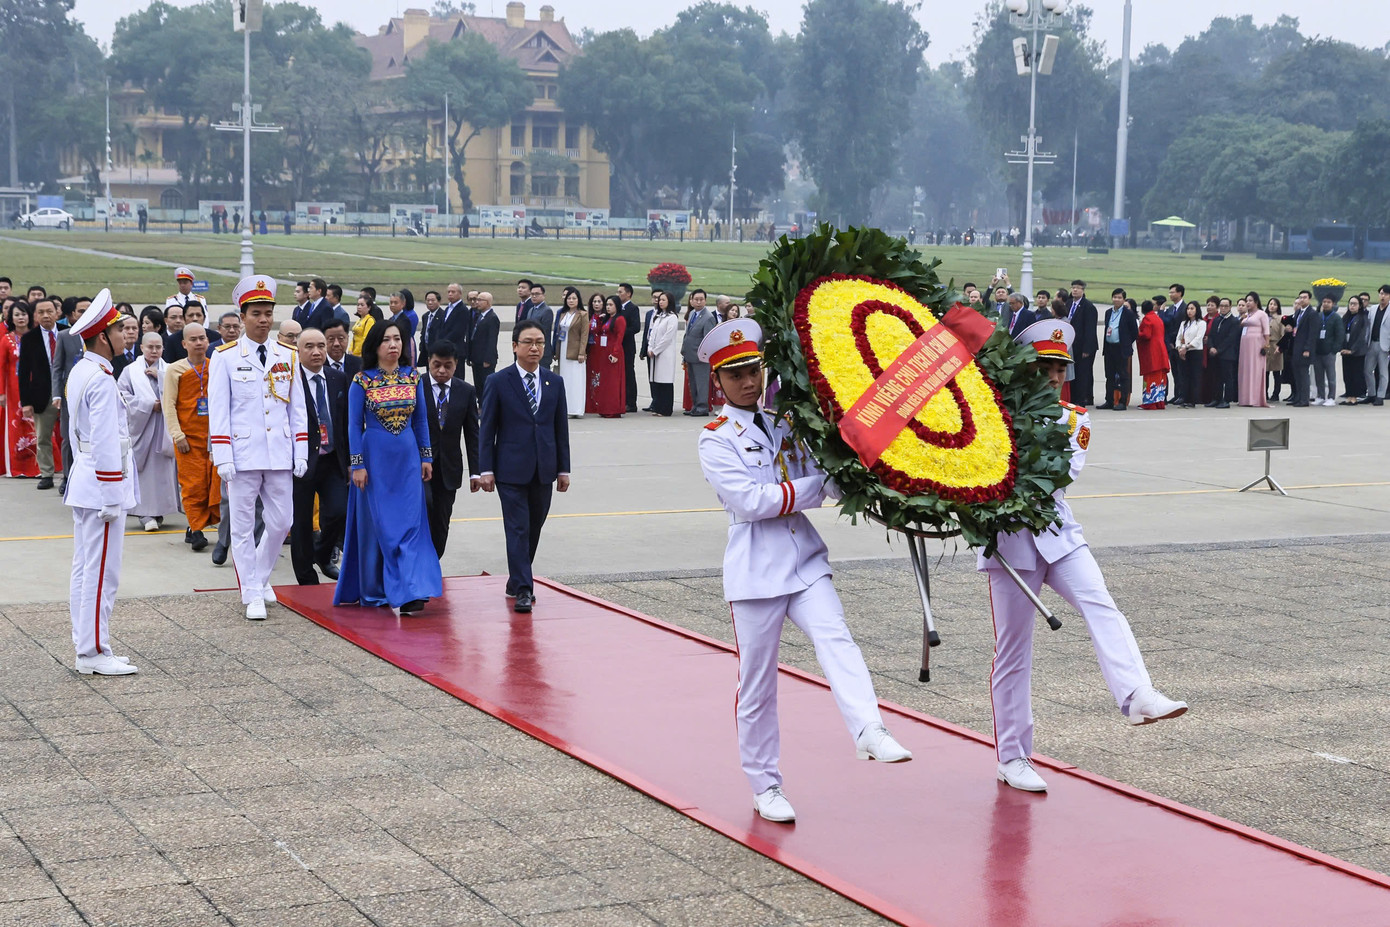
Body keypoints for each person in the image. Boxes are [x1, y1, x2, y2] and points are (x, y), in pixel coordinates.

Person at [697, 318, 910, 823]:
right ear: (718, 382)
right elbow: (750, 503)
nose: (749, 382)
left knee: (838, 638)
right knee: (757, 684)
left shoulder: (788, 422)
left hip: (805, 560)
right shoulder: (715, 439)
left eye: (754, 370)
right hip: (756, 573)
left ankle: (868, 729)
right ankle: (765, 784)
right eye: (736, 375)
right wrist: (815, 487)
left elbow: (832, 482)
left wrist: (864, 462)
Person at [981, 318, 1186, 793]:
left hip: (1059, 536)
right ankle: (1012, 757)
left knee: (1103, 606)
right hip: (1011, 544)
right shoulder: (992, 415)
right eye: (1044, 366)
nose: (1054, 376)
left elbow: (1055, 475)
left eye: (1060, 368)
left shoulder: (1074, 418)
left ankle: (1138, 694)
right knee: (1013, 652)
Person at [208, 276, 309, 621]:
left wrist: (301, 451)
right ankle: (251, 592)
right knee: (241, 526)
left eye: (269, 313)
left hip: (279, 450)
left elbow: (297, 408)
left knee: (283, 521)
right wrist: (222, 456)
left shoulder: (288, 355)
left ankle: (259, 577)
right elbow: (219, 411)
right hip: (243, 452)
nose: (264, 320)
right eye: (257, 313)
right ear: (243, 315)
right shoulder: (224, 357)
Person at [335, 318, 443, 613]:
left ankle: (411, 589)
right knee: (380, 525)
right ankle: (375, 589)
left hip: (408, 459)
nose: (394, 344)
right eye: (387, 340)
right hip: (375, 461)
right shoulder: (362, 381)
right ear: (375, 346)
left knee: (411, 524)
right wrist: (357, 464)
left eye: (397, 339)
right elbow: (353, 426)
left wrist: (426, 457)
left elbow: (420, 420)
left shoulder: (413, 377)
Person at [62, 291, 139, 676]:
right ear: (102, 337)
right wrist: (113, 494)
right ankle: (92, 651)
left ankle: (89, 643)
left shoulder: (83, 370)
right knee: (101, 571)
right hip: (101, 485)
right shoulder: (102, 379)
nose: (126, 333)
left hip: (86, 479)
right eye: (117, 328)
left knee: (85, 567)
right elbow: (107, 442)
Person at [478, 319, 571, 613]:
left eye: (540, 342)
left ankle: (516, 578)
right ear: (515, 346)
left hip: (544, 468)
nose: (535, 348)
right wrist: (486, 469)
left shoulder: (553, 382)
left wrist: (563, 469)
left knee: (533, 528)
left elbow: (560, 429)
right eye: (529, 342)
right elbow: (487, 429)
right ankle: (523, 588)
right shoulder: (498, 381)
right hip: (510, 470)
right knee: (517, 528)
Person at [290, 328, 348, 584]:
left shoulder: (338, 378)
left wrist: (350, 461)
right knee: (301, 522)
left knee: (339, 510)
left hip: (332, 458)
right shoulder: (290, 380)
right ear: (298, 351)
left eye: (321, 346)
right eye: (309, 346)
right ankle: (305, 578)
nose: (317, 352)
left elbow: (346, 422)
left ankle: (323, 555)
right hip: (302, 460)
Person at [162, 323, 220, 552]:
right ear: (184, 344)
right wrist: (178, 435)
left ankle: (199, 524)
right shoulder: (175, 370)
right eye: (193, 339)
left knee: (215, 484)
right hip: (188, 439)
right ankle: (196, 531)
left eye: (202, 338)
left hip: (213, 438)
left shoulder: (215, 367)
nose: (199, 343)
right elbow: (169, 405)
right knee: (193, 485)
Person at [422, 340, 480, 558]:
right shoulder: (417, 387)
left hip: (450, 467)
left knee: (442, 520)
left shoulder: (465, 391)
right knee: (425, 508)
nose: (442, 371)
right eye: (436, 365)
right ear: (428, 362)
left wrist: (476, 471)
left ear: (456, 364)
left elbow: (473, 434)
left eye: (448, 365)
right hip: (420, 466)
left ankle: (434, 562)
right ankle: (420, 564)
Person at [117, 331, 179, 531]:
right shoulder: (130, 371)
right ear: (142, 347)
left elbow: (183, 393)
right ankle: (144, 514)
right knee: (143, 473)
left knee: (163, 472)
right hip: (142, 428)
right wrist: (149, 405)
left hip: (164, 428)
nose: (154, 351)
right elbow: (122, 397)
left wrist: (161, 377)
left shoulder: (170, 369)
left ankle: (159, 511)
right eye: (150, 347)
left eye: (158, 347)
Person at [18, 296, 64, 489]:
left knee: (69, 436)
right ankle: (47, 474)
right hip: (42, 395)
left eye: (49, 311)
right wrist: (26, 401)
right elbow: (23, 372)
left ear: (57, 313)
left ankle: (69, 476)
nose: (46, 316)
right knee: (43, 437)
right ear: (35, 316)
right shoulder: (29, 338)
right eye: (41, 312)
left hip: (66, 392)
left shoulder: (67, 334)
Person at [1, 301, 40, 478]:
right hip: (13, 390)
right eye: (17, 314)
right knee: (16, 427)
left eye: (24, 314)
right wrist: (1, 392)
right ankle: (17, 469)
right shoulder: (6, 339)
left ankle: (39, 467)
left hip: (35, 388)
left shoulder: (36, 338)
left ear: (29, 316)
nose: (21, 317)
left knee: (36, 426)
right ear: (11, 318)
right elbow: (0, 368)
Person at [587, 295, 627, 417]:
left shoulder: (620, 319)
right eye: (607, 305)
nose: (608, 307)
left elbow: (619, 338)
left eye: (611, 305)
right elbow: (599, 331)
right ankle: (604, 407)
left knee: (612, 382)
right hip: (604, 353)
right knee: (605, 381)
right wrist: (600, 320)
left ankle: (613, 409)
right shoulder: (608, 318)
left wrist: (615, 353)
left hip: (613, 353)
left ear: (617, 306)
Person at [680, 289, 718, 416]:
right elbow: (688, 334)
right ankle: (695, 406)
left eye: (701, 299)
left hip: (701, 357)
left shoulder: (708, 317)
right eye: (696, 299)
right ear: (691, 300)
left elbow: (708, 339)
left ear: (705, 301)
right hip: (690, 354)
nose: (698, 302)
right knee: (693, 383)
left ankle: (702, 407)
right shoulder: (692, 314)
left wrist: (705, 355)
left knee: (701, 383)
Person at [1099, 289, 1137, 410]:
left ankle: (1122, 401)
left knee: (1123, 375)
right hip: (1110, 347)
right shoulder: (1108, 312)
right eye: (1115, 297)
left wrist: (1126, 343)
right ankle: (1109, 400)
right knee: (1109, 375)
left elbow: (1134, 332)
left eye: (1119, 297)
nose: (1116, 299)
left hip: (1121, 348)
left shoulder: (1128, 313)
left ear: (1124, 299)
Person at [553, 287, 588, 420]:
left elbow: (584, 335)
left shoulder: (583, 314)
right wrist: (556, 351)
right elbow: (558, 334)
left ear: (578, 300)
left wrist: (581, 352)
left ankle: (576, 408)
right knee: (565, 379)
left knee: (576, 380)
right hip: (563, 350)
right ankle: (566, 407)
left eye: (574, 298)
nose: (571, 301)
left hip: (575, 351)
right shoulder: (563, 314)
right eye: (569, 298)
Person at [1066, 280, 1099, 406]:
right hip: (1071, 346)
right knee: (1073, 372)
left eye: (1078, 288)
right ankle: (1072, 398)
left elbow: (1090, 330)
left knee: (1082, 373)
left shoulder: (1088, 307)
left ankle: (1081, 400)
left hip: (1084, 347)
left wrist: (1087, 349)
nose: (1075, 290)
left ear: (1083, 290)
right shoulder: (1068, 303)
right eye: (1073, 287)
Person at [647, 291, 679, 416]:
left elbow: (667, 337)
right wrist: (650, 348)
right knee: (656, 381)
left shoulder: (672, 318)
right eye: (660, 300)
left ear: (669, 302)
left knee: (665, 381)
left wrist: (656, 350)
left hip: (665, 353)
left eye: (663, 300)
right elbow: (652, 334)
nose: (660, 302)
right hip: (654, 353)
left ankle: (666, 409)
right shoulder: (658, 317)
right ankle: (658, 406)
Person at [1205, 297, 1240, 409]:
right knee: (1216, 377)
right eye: (1222, 306)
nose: (1223, 308)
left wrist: (1218, 350)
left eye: (1226, 306)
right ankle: (1217, 398)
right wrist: (1211, 347)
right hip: (1215, 354)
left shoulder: (1234, 321)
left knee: (1227, 378)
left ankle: (1227, 400)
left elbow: (1230, 339)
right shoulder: (1216, 320)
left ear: (1230, 307)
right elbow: (1211, 336)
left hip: (1227, 355)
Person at [1238, 295, 1270, 408]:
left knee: (1255, 370)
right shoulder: (1247, 315)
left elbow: (1266, 331)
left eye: (1250, 301)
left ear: (1256, 302)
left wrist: (1266, 345)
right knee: (1245, 370)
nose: (1248, 303)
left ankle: (1255, 399)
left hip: (1256, 345)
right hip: (1245, 346)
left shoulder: (1262, 314)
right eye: (1247, 301)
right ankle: (1244, 398)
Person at [1136, 299, 1169, 409]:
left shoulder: (1147, 319)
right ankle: (1159, 402)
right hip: (1161, 350)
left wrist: (1137, 333)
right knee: (1160, 378)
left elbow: (1146, 335)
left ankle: (1150, 403)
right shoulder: (1157, 318)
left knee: (1151, 377)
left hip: (1152, 351)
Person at [1312, 296, 1344, 406]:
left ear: (1333, 304)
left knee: (1331, 376)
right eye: (1324, 302)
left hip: (1329, 351)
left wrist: (1334, 350)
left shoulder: (1336, 318)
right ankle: (1320, 396)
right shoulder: (1319, 316)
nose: (1325, 304)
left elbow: (1340, 335)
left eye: (1328, 302)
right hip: (1318, 351)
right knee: (1318, 376)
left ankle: (1331, 397)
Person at [1288, 290, 1319, 407]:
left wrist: (1307, 349)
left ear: (1309, 299)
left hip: (1304, 349)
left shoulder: (1312, 314)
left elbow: (1312, 334)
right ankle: (1298, 397)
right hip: (1296, 348)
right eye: (1300, 297)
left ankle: (1304, 399)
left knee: (1303, 374)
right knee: (1296, 374)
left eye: (1304, 297)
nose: (1302, 300)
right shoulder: (1298, 313)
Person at [467, 291, 500, 396]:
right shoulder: (478, 316)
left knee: (486, 384)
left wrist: (488, 359)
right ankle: (480, 406)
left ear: (488, 302)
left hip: (485, 359)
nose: (477, 302)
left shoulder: (492, 318)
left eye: (480, 300)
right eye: (477, 299)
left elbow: (492, 340)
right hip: (476, 357)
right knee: (478, 385)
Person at [1174, 302, 1206, 409]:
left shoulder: (1201, 323)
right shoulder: (1184, 323)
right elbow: (1178, 337)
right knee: (1184, 376)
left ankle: (1193, 399)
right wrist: (1179, 348)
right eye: (1188, 309)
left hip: (1195, 352)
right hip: (1183, 352)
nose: (1189, 311)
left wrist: (1186, 347)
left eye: (1192, 308)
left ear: (1196, 310)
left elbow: (1198, 338)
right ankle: (1184, 397)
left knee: (1194, 376)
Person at [1339, 295, 1369, 405]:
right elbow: (1341, 333)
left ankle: (1355, 397)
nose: (1352, 306)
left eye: (1354, 304)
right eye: (1350, 303)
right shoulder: (1346, 318)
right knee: (1347, 375)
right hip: (1345, 350)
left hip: (1357, 352)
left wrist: (1353, 350)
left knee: (1356, 374)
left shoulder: (1362, 318)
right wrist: (1342, 347)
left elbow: (1362, 336)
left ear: (1360, 306)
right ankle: (1349, 395)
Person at [617, 283, 642, 413]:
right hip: (616, 346)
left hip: (627, 347)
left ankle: (631, 403)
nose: (618, 294)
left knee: (628, 374)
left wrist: (620, 332)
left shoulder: (632, 308)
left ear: (628, 294)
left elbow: (636, 327)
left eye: (620, 292)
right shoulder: (617, 307)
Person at [1265, 299, 1286, 402]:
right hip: (1266, 346)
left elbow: (1283, 334)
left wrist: (1280, 347)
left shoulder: (1281, 318)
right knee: (1265, 372)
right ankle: (1264, 393)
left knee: (1276, 372)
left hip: (1276, 345)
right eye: (1270, 304)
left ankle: (1276, 394)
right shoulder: (1264, 318)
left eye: (1274, 304)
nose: (1272, 306)